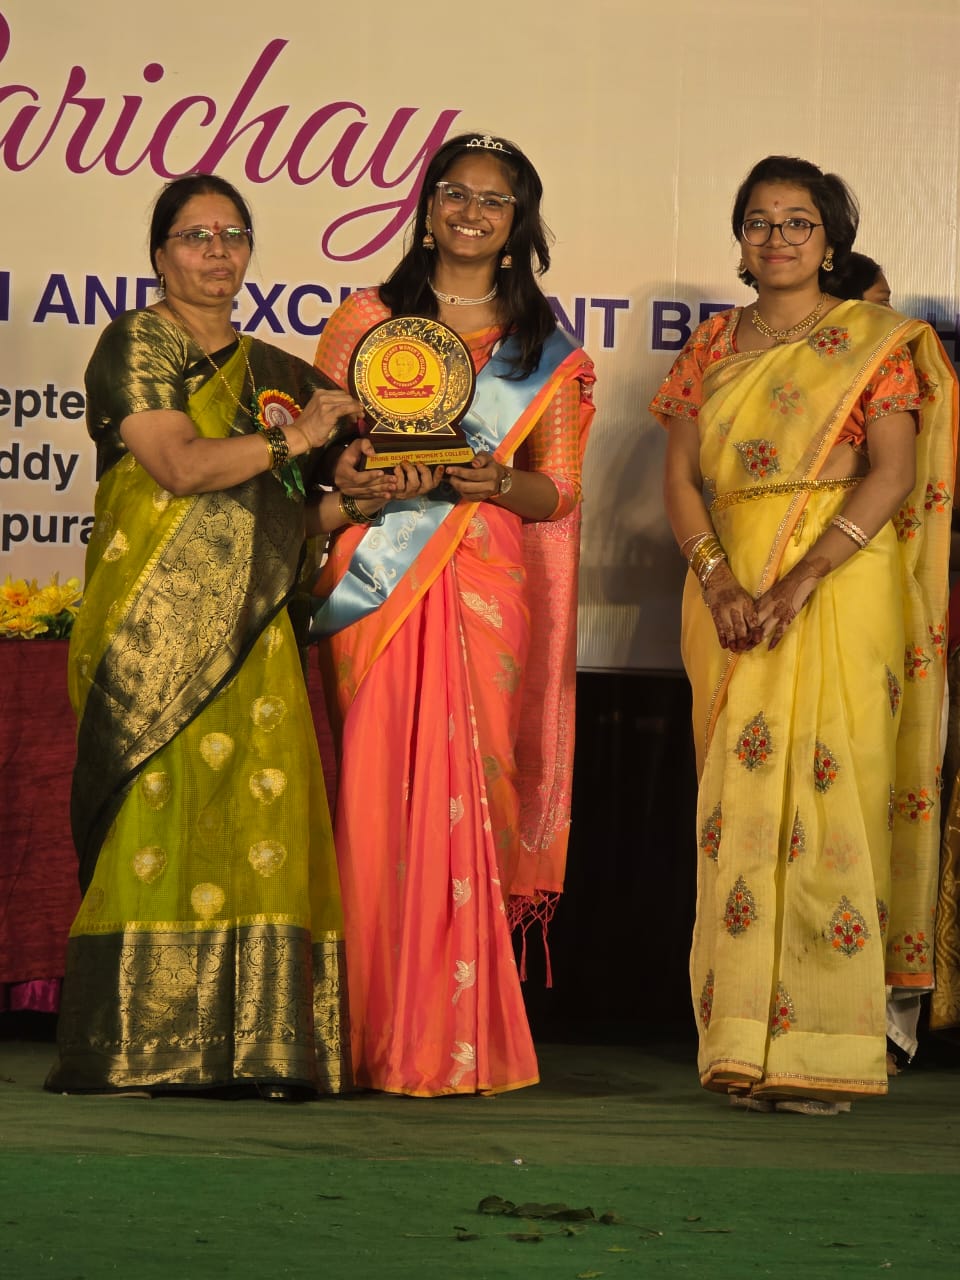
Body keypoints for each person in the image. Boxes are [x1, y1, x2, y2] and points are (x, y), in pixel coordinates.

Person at [45, 173, 399, 1099]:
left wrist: (353, 501)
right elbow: (181, 465)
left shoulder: (278, 374)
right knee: (155, 816)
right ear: (159, 255)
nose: (216, 251)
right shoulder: (138, 341)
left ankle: (259, 1047)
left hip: (253, 630)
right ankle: (135, 1041)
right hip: (152, 626)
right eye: (195, 236)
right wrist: (299, 439)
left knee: (259, 816)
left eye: (232, 235)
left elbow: (288, 522)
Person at [652, 155, 957, 1115]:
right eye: (759, 222)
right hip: (729, 586)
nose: (777, 238)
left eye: (798, 222)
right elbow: (680, 480)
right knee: (736, 809)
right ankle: (741, 1046)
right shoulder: (710, 344)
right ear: (739, 242)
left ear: (830, 242)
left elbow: (891, 473)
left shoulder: (875, 341)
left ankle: (825, 1047)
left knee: (835, 801)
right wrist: (718, 578)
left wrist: (804, 576)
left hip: (841, 582)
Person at [309, 132, 595, 1096]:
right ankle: (357, 1029)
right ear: (428, 209)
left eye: (493, 200)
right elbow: (323, 445)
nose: (472, 212)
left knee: (469, 786)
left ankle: (452, 1034)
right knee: (371, 785)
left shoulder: (542, 350)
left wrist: (495, 480)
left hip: (481, 575)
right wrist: (351, 467)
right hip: (377, 573)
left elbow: (559, 492)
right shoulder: (364, 319)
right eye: (455, 194)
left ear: (519, 224)